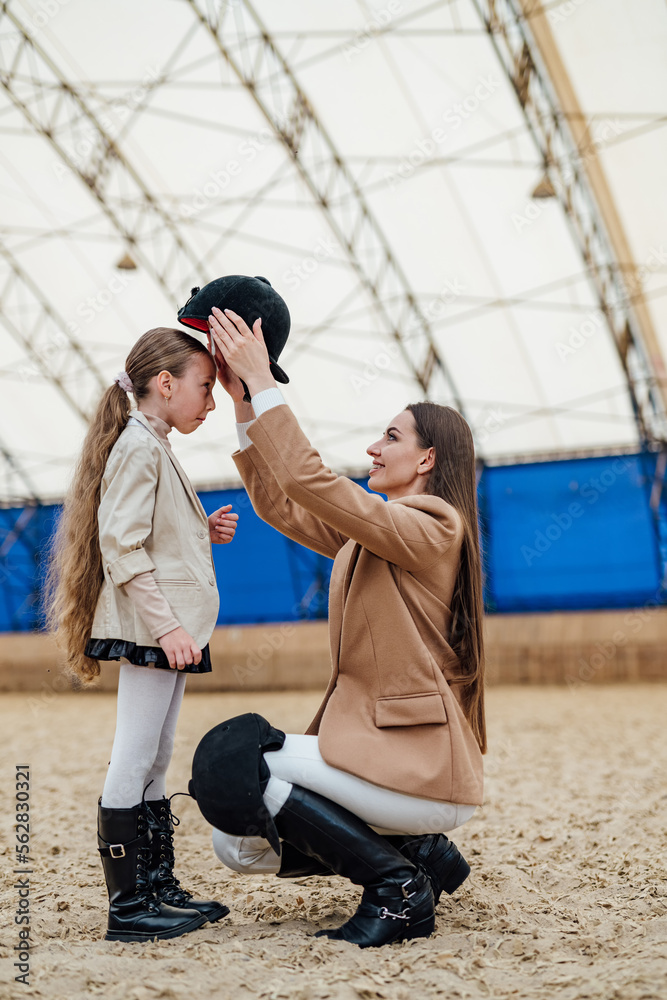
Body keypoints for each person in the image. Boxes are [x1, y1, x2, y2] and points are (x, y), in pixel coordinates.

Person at [197, 305, 486, 949]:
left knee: (239, 768)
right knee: (235, 845)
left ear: (426, 459)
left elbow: (311, 477)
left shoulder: (433, 527)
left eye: (389, 437)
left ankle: (397, 889)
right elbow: (284, 499)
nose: (373, 448)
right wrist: (244, 404)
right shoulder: (377, 537)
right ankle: (420, 854)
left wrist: (263, 382)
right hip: (394, 768)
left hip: (422, 769)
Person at [46, 327, 238, 942]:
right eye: (205, 388)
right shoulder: (138, 446)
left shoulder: (152, 443)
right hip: (156, 630)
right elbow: (120, 544)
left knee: (155, 755)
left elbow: (148, 534)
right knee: (134, 755)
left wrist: (198, 530)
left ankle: (157, 887)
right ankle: (128, 906)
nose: (210, 402)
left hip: (169, 630)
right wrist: (168, 627)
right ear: (165, 384)